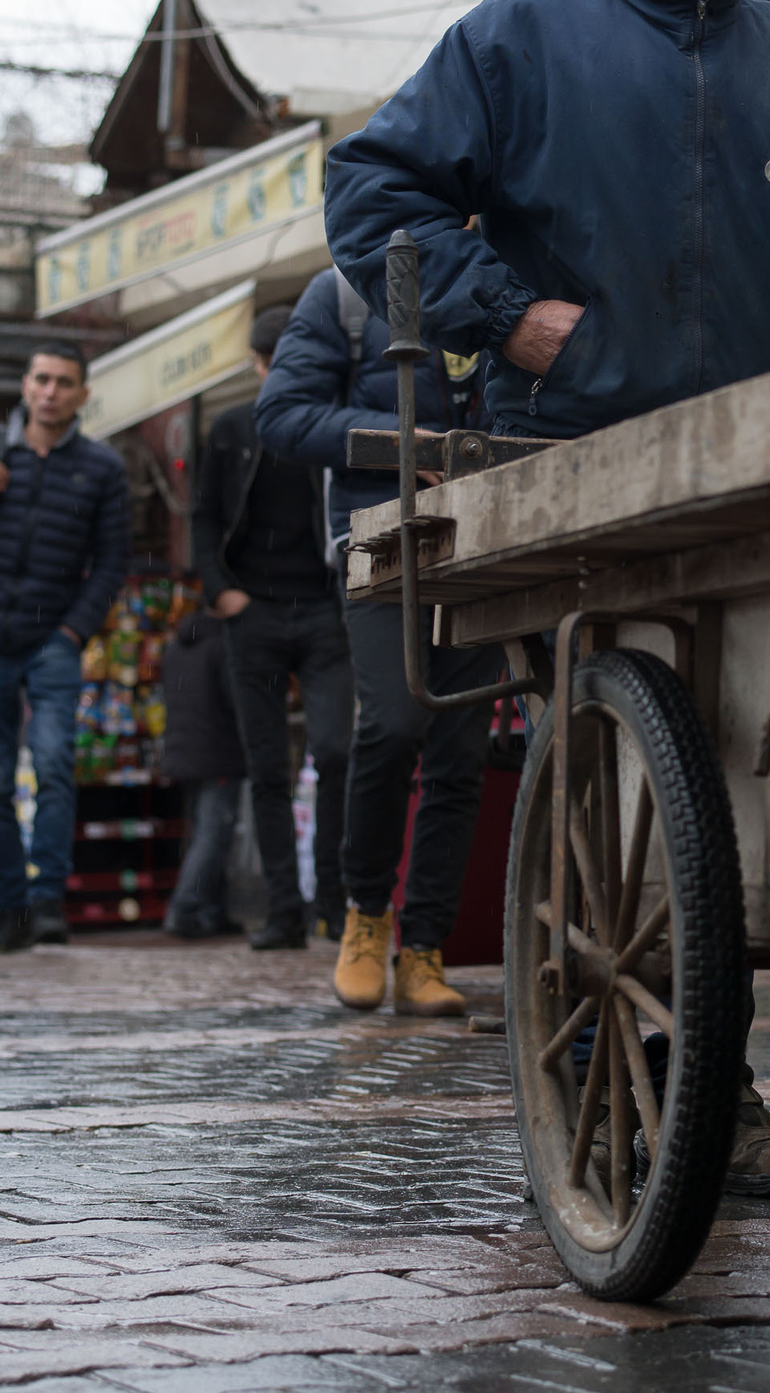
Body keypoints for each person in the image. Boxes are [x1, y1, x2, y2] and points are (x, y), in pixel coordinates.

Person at [319, 0, 770, 1196]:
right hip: (569, 471)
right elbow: (370, 193)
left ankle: (715, 1087)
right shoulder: (521, 37)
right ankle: (602, 1075)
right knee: (618, 777)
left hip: (761, 481)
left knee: (739, 792)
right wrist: (510, 315)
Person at [255, 273, 491, 1018]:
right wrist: (404, 443)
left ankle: (424, 945)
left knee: (461, 755)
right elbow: (284, 415)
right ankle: (365, 912)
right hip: (383, 539)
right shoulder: (345, 295)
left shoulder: (515, 275)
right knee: (391, 724)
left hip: (495, 535)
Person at [0, 343, 128, 954]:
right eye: (41, 378)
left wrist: (72, 632)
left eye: (64, 382)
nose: (50, 391)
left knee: (56, 765)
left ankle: (47, 902)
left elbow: (112, 560)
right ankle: (8, 907)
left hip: (52, 640)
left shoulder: (101, 467)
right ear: (25, 383)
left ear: (82, 395)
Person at [189, 307, 355, 950]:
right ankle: (285, 910)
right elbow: (204, 516)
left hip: (324, 609)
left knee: (338, 752)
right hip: (252, 611)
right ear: (260, 365)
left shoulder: (328, 422)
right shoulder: (233, 428)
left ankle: (335, 904)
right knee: (266, 769)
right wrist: (221, 590)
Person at [159, 610, 249, 939]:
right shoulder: (221, 645)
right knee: (214, 835)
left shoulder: (175, 647)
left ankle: (213, 911)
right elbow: (235, 699)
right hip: (217, 752)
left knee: (203, 833)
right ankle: (184, 907)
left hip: (184, 752)